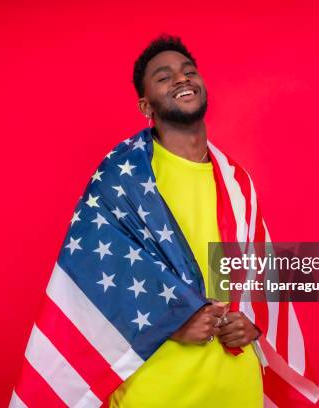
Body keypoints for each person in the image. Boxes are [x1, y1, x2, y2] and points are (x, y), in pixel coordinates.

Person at [107, 35, 263, 407]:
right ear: (146, 105)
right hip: (156, 389)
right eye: (164, 77)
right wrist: (170, 321)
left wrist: (254, 323)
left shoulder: (236, 180)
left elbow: (256, 273)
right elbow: (98, 279)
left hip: (235, 386)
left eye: (188, 71)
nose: (181, 78)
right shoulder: (124, 178)